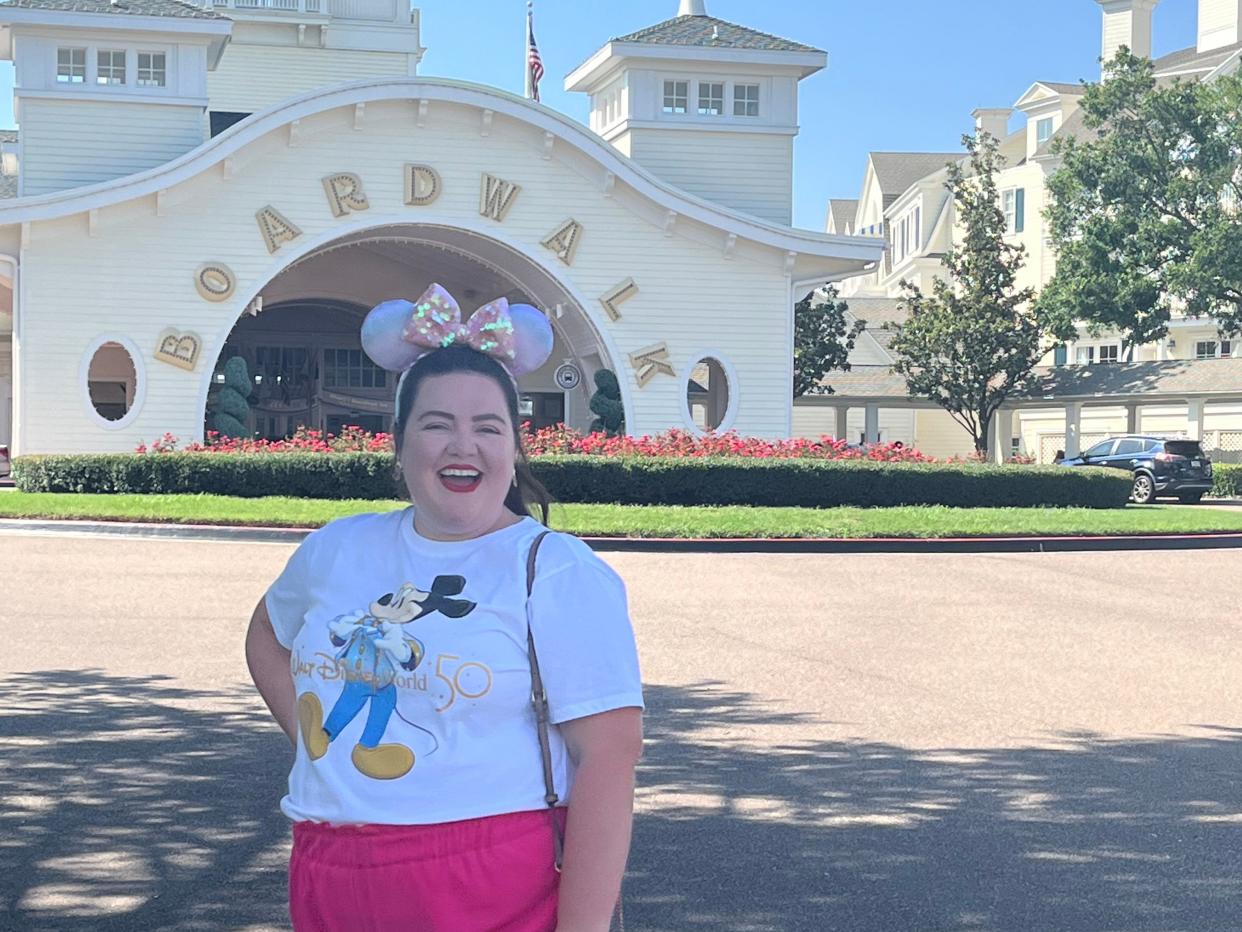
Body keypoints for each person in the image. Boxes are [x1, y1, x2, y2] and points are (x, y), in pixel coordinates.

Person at [245, 283, 644, 931]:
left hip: (490, 883)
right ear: (399, 445)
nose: (464, 444)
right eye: (437, 424)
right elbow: (268, 633)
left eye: (488, 427)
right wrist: (319, 751)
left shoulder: (557, 572)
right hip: (328, 870)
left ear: (514, 450)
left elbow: (609, 758)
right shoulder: (339, 547)